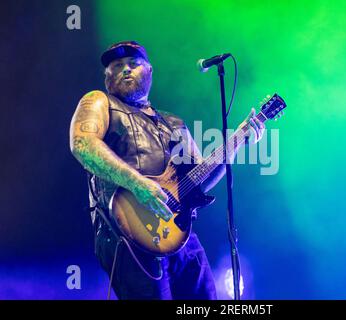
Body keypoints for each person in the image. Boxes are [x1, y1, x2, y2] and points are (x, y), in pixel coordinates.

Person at [69, 41, 265, 300]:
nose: (125, 70)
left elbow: (199, 179)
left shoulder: (172, 122)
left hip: (178, 234)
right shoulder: (99, 101)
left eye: (133, 64)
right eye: (117, 66)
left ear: (149, 71)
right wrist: (138, 184)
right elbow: (82, 144)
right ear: (107, 77)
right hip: (127, 234)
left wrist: (239, 140)